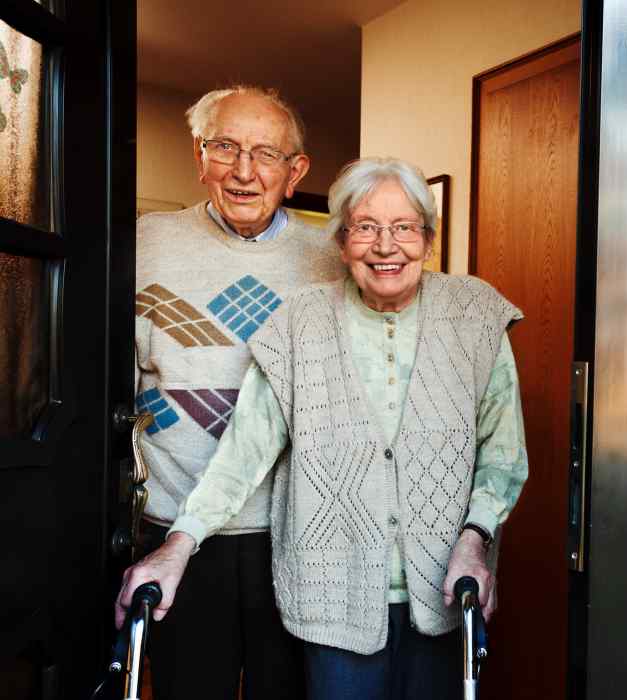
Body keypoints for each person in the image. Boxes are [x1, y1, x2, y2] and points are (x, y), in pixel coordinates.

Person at [120, 157, 528, 700]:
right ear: (341, 244)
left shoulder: (474, 314)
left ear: (427, 240)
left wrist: (475, 539)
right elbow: (245, 451)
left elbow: (502, 454)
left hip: (449, 593)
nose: (386, 246)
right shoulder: (299, 323)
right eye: (365, 227)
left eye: (404, 227)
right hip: (332, 599)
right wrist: (178, 543)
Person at [130, 84, 345, 700]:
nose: (244, 171)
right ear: (199, 156)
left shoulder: (332, 255)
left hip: (296, 530)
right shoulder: (142, 243)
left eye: (266, 154)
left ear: (296, 169)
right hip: (176, 526)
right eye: (225, 147)